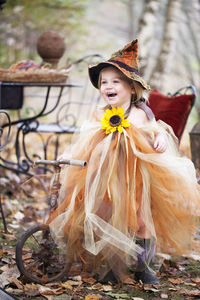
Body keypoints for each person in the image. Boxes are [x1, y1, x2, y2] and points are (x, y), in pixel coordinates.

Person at [47, 39, 200, 285]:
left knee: (140, 220)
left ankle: (144, 266)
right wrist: (70, 155)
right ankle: (110, 265)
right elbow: (86, 139)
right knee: (107, 218)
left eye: (115, 82)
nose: (108, 86)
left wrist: (159, 137)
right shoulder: (99, 114)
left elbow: (155, 129)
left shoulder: (141, 113)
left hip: (138, 176)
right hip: (106, 177)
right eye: (103, 82)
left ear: (131, 88)